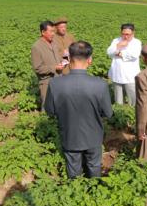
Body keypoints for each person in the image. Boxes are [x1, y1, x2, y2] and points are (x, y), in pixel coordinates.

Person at [44, 41, 112, 179]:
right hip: (93, 136)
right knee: (94, 166)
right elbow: (108, 113)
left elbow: (50, 111)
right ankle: (94, 192)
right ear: (90, 60)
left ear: (68, 59)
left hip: (69, 135)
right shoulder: (100, 84)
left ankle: (75, 192)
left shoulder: (55, 83)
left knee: (73, 168)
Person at [106, 23, 142, 106]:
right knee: (118, 99)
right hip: (117, 73)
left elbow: (134, 55)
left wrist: (118, 53)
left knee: (132, 98)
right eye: (123, 34)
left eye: (128, 34)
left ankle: (133, 114)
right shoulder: (116, 41)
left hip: (130, 75)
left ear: (133, 33)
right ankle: (119, 113)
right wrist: (118, 46)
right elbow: (109, 52)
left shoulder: (136, 42)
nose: (125, 36)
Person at [31, 20, 64, 107]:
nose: (53, 34)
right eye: (51, 31)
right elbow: (37, 68)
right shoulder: (36, 47)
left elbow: (57, 58)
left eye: (54, 31)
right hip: (47, 82)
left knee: (59, 106)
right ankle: (44, 120)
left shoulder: (53, 43)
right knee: (47, 107)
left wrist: (63, 61)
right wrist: (54, 68)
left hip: (59, 79)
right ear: (43, 32)